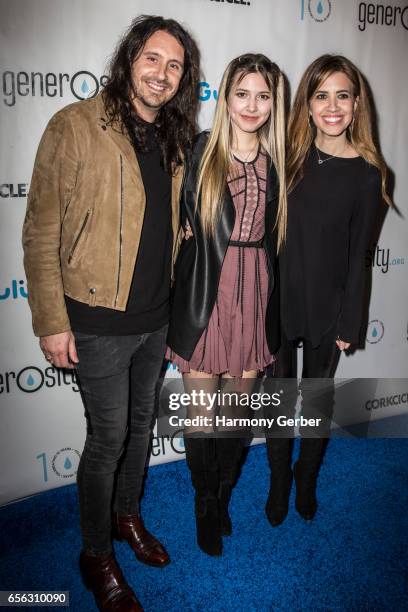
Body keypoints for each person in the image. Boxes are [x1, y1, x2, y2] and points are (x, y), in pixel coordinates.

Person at [22, 15, 199, 612]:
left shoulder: (174, 136)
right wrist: (50, 319)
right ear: (129, 59)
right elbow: (41, 229)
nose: (162, 73)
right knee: (108, 439)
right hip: (95, 319)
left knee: (142, 428)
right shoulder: (74, 126)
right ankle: (95, 554)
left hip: (155, 317)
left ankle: (127, 518)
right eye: (153, 58)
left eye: (174, 65)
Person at [166, 54, 287, 556]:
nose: (252, 105)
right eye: (242, 94)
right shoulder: (198, 151)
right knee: (201, 416)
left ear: (272, 103)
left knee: (235, 419)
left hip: (256, 291)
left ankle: (222, 496)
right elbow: (166, 215)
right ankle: (203, 504)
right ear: (226, 98)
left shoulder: (278, 163)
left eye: (263, 96)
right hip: (205, 291)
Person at [265, 54, 391, 528]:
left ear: (357, 105)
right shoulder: (285, 158)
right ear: (308, 104)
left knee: (316, 402)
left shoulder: (369, 174)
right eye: (321, 96)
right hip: (279, 302)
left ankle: (306, 476)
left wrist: (349, 322)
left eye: (342, 95)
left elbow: (361, 254)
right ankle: (277, 481)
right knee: (276, 401)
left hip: (329, 308)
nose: (332, 106)